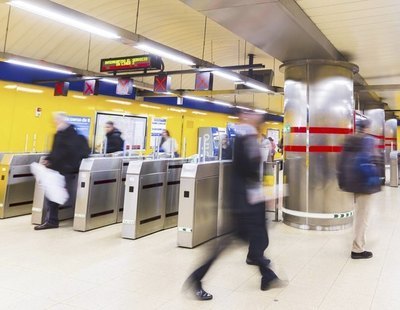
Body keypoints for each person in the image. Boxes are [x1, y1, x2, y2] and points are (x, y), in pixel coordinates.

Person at [183, 110, 285, 301]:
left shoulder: (249, 140)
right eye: (250, 115)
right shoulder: (243, 141)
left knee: (250, 242)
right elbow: (247, 173)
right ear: (243, 118)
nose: (254, 118)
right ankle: (196, 279)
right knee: (227, 245)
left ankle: (267, 276)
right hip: (242, 206)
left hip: (247, 203)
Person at [34, 112, 89, 230]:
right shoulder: (72, 133)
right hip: (65, 169)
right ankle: (56, 219)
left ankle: (53, 221)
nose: (54, 122)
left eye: (55, 120)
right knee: (58, 194)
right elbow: (57, 151)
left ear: (60, 120)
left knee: (54, 195)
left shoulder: (64, 134)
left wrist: (51, 159)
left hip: (62, 169)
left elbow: (61, 151)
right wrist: (48, 159)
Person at [337, 118, 381, 259]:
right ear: (367, 128)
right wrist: (376, 181)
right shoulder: (368, 140)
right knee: (363, 217)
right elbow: (370, 161)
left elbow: (341, 161)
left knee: (359, 214)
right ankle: (358, 249)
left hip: (352, 182)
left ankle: (358, 243)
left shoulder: (349, 139)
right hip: (364, 184)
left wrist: (342, 180)